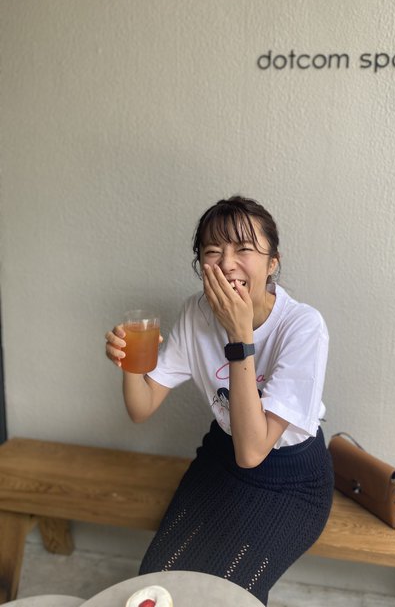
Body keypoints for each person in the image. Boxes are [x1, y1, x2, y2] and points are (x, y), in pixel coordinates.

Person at [105, 196, 334, 605]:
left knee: (229, 593)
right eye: (213, 251)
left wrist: (239, 336)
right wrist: (129, 363)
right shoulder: (196, 312)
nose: (227, 263)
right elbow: (141, 407)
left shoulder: (303, 326)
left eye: (244, 249)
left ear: (273, 262)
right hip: (221, 458)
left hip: (291, 479)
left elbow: (253, 452)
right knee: (157, 580)